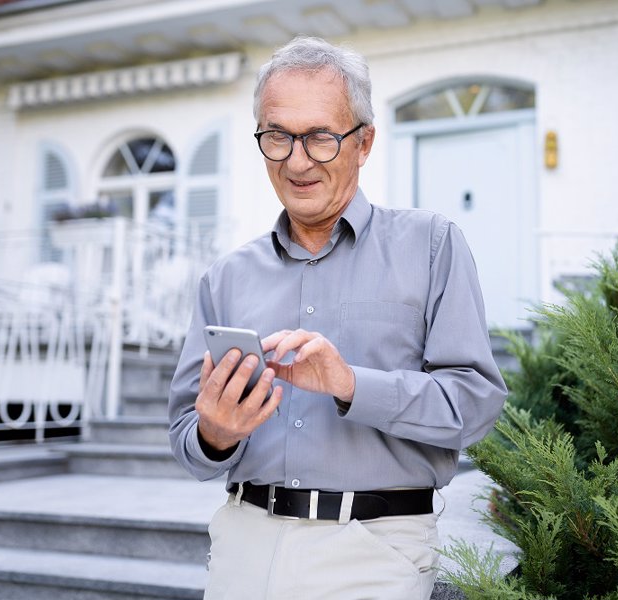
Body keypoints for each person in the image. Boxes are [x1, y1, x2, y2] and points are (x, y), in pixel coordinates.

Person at [168, 35, 507, 600]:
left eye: (321, 137)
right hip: (242, 548)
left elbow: (474, 407)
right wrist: (215, 435)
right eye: (277, 136)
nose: (297, 161)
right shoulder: (226, 276)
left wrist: (349, 384)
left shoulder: (431, 245)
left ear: (364, 141)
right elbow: (187, 437)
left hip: (375, 552)